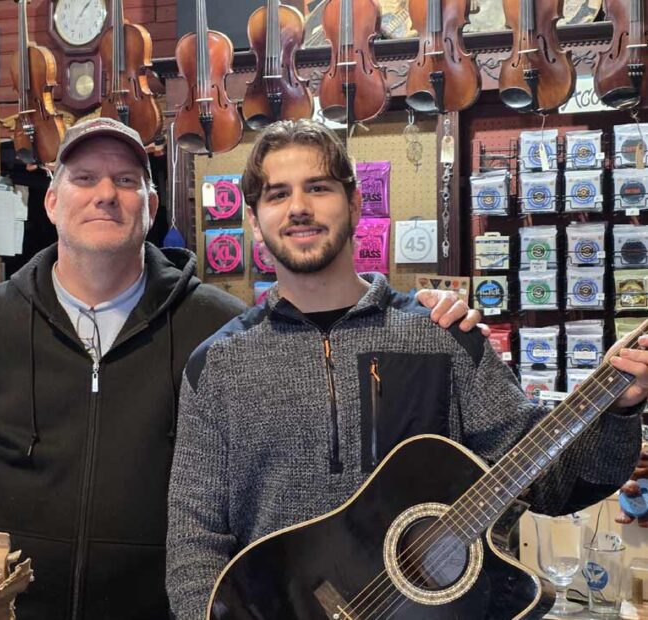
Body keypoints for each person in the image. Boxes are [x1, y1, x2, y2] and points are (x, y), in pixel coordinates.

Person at [0, 117, 482, 619]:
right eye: (84, 178)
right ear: (52, 201)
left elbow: (257, 495)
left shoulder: (218, 328)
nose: (105, 194)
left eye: (126, 179)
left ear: (151, 203)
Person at [165, 119, 648, 619]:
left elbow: (554, 481)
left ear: (354, 204)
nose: (299, 208)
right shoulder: (217, 365)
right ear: (253, 218)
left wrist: (619, 409)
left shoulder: (443, 336)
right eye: (277, 194)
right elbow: (193, 539)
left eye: (318, 187)